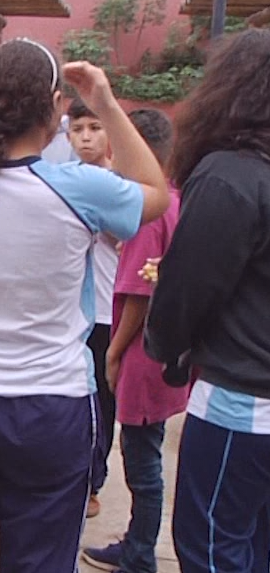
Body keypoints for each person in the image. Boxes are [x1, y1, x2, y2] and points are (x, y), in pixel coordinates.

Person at [0, 39, 170, 573]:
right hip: (51, 409)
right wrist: (107, 104)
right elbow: (153, 189)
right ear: (54, 107)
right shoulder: (84, 188)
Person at [144, 28, 270, 573]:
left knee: (213, 547)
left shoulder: (232, 174)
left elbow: (187, 289)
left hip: (241, 402)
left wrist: (167, 347)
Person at [81, 108, 188, 573]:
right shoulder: (178, 199)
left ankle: (140, 551)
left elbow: (138, 295)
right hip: (166, 353)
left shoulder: (146, 213)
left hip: (143, 354)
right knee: (146, 451)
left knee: (142, 461)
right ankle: (137, 541)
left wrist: (115, 351)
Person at [66, 98, 119, 518]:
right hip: (70, 313)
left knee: (101, 403)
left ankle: (92, 483)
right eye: (78, 128)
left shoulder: (123, 188)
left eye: (95, 127)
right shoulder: (61, 182)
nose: (86, 136)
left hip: (109, 314)